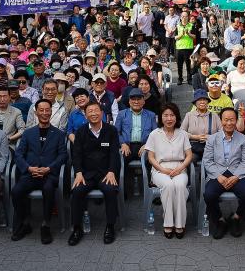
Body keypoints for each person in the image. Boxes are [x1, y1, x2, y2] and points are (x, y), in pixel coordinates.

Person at [11, 99, 68, 244]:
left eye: (47, 110)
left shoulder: (59, 134)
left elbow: (63, 155)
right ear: (35, 113)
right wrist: (29, 168)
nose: (44, 113)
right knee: (17, 191)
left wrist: (49, 168)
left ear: (51, 111)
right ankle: (24, 223)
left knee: (49, 189)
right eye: (41, 110)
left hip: (49, 174)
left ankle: (46, 225)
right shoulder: (28, 133)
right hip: (30, 173)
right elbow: (18, 154)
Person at [69, 102, 121, 246]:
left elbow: (114, 155)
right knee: (77, 191)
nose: (93, 113)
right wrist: (78, 172)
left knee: (110, 191)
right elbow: (77, 155)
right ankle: (77, 228)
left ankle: (110, 226)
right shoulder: (80, 131)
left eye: (96, 110)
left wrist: (112, 171)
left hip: (106, 173)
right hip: (87, 174)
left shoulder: (111, 130)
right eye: (90, 111)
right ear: (85, 115)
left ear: (102, 113)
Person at [202, 107, 245, 239]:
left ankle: (236, 218)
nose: (229, 123)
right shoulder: (212, 139)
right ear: (221, 121)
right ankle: (220, 220)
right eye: (226, 120)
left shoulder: (243, 139)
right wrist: (218, 176)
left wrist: (236, 176)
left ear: (236, 121)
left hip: (236, 173)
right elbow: (207, 161)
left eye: (232, 120)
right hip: (217, 173)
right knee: (208, 195)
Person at [145, 103, 193, 238]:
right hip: (160, 170)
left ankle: (179, 224)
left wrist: (180, 168)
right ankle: (168, 223)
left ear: (176, 117)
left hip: (179, 168)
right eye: (165, 115)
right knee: (168, 185)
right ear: (161, 117)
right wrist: (162, 169)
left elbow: (189, 155)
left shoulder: (182, 134)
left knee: (179, 185)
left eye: (172, 115)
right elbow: (151, 157)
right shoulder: (155, 134)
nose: (169, 118)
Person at [116, 88, 158, 177]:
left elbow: (155, 134)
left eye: (139, 99)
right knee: (120, 161)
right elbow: (116, 132)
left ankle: (149, 186)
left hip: (144, 146)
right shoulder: (122, 114)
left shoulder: (151, 115)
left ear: (143, 101)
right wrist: (122, 143)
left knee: (150, 160)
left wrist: (147, 145)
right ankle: (125, 189)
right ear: (129, 101)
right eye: (133, 99)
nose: (136, 101)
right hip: (127, 146)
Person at [182, 89, 220, 164]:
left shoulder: (214, 115)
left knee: (215, 161)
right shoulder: (189, 115)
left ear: (207, 102)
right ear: (195, 102)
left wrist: (210, 137)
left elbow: (222, 132)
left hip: (211, 148)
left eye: (204, 99)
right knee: (189, 160)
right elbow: (181, 132)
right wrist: (195, 137)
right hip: (194, 148)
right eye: (199, 100)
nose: (202, 102)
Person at [175, 11, 195, 85]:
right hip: (179, 48)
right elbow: (175, 37)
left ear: (188, 17)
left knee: (188, 65)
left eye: (186, 16)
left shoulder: (191, 25)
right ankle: (180, 79)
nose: (184, 18)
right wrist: (182, 34)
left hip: (188, 48)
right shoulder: (177, 26)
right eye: (183, 16)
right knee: (179, 65)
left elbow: (194, 37)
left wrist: (188, 34)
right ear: (181, 17)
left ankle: (189, 79)